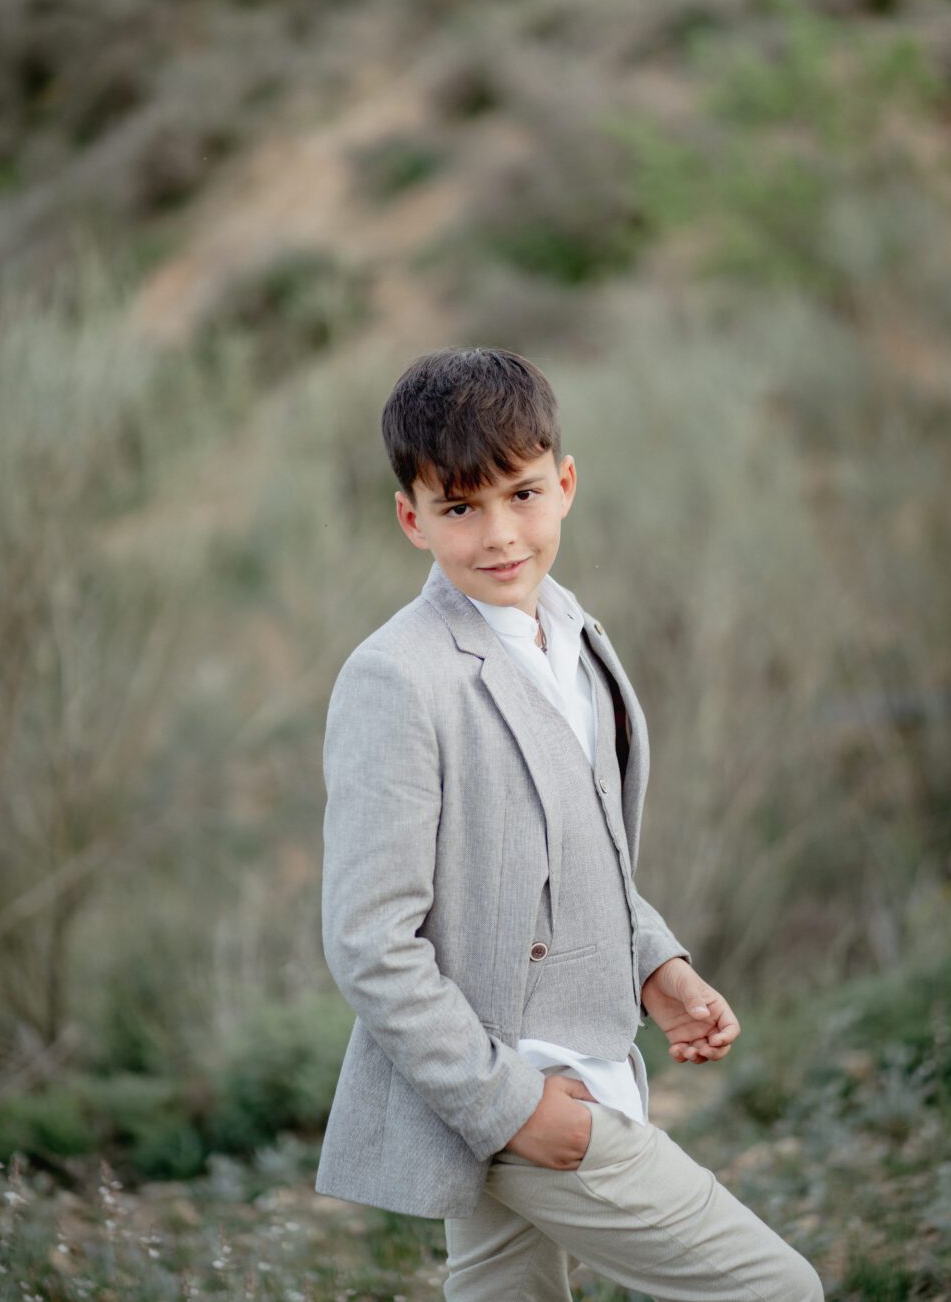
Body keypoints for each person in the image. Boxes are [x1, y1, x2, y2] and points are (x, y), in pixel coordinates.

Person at [316, 347, 823, 1300]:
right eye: (460, 508)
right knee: (774, 1289)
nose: (501, 534)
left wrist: (656, 965)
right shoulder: (396, 678)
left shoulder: (572, 629)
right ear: (411, 518)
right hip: (522, 1094)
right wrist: (510, 1107)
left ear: (567, 484)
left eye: (523, 494)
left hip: (591, 1062)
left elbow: (578, 850)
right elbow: (369, 942)